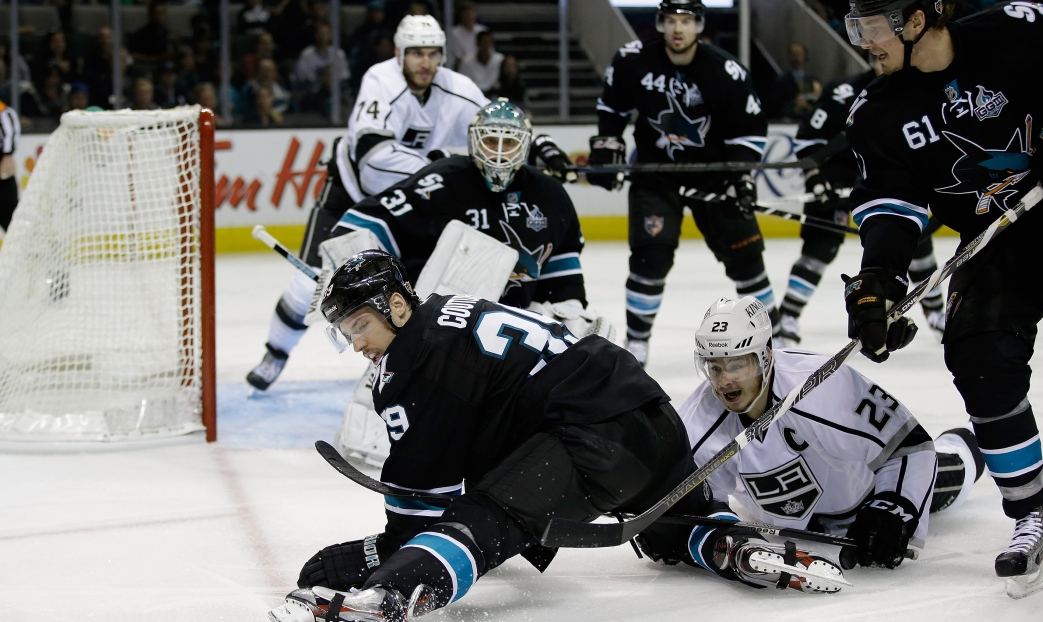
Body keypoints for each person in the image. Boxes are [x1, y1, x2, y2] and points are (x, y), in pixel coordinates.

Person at [266, 251, 848, 622]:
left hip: (588, 434)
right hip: (647, 412)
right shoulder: (451, 312)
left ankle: (388, 600)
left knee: (489, 515)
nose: (358, 343)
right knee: (672, 525)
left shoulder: (417, 365)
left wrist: (374, 558)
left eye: (361, 325)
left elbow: (423, 510)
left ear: (396, 305)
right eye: (347, 332)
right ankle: (735, 546)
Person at [842, 0, 1043, 597]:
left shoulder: (1022, 27)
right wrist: (879, 278)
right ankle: (1031, 513)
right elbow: (891, 203)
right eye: (854, 28)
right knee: (978, 358)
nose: (862, 41)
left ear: (917, 19)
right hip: (996, 240)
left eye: (872, 26)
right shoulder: (876, 111)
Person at [325, 99, 599, 468]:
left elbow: (562, 270)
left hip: (510, 325)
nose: (499, 154)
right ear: (473, 142)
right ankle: (376, 426)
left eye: (509, 143)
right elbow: (372, 218)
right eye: (490, 142)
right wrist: (345, 264)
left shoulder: (549, 195)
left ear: (525, 144)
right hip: (443, 317)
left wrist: (569, 311)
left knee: (586, 335)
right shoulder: (444, 180)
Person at [246, 15, 489, 393]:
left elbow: (494, 129)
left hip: (404, 205)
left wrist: (540, 149)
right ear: (398, 53)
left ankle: (406, 369)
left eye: (432, 53)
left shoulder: (457, 87)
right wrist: (439, 169)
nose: (425, 62)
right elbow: (372, 158)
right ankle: (275, 354)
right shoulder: (380, 79)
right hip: (351, 195)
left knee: (408, 293)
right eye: (416, 54)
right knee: (305, 285)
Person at [682, 296, 984, 571]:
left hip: (869, 496)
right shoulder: (698, 421)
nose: (725, 381)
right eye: (715, 367)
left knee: (956, 469)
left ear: (765, 356)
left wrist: (893, 507)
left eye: (737, 364)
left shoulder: (820, 386)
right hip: (790, 526)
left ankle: (973, 439)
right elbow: (696, 505)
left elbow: (909, 445)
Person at [590, 0, 777, 367]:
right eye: (671, 21)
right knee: (650, 256)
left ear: (700, 25)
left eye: (687, 21)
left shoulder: (726, 70)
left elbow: (751, 130)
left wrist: (740, 176)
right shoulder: (632, 59)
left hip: (715, 177)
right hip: (656, 176)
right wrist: (607, 145)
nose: (678, 29)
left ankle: (774, 335)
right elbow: (612, 107)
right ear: (660, 23)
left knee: (746, 259)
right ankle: (638, 341)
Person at [776, 56, 946, 347]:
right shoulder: (843, 92)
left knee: (916, 244)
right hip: (838, 186)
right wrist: (816, 178)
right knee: (819, 249)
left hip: (891, 187)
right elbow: (808, 140)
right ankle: (788, 316)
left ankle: (936, 314)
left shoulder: (921, 90)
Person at [456, 30, 503, 95]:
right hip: (472, 95)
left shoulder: (500, 60)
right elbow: (461, 82)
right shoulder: (466, 62)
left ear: (492, 44)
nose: (486, 46)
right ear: (477, 43)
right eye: (483, 42)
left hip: (495, 96)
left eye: (488, 42)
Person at [0, 99, 20, 233]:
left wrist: (7, 155)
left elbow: (8, 118)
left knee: (9, 213)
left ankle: (25, 250)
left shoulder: (3, 110)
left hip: (1, 164)